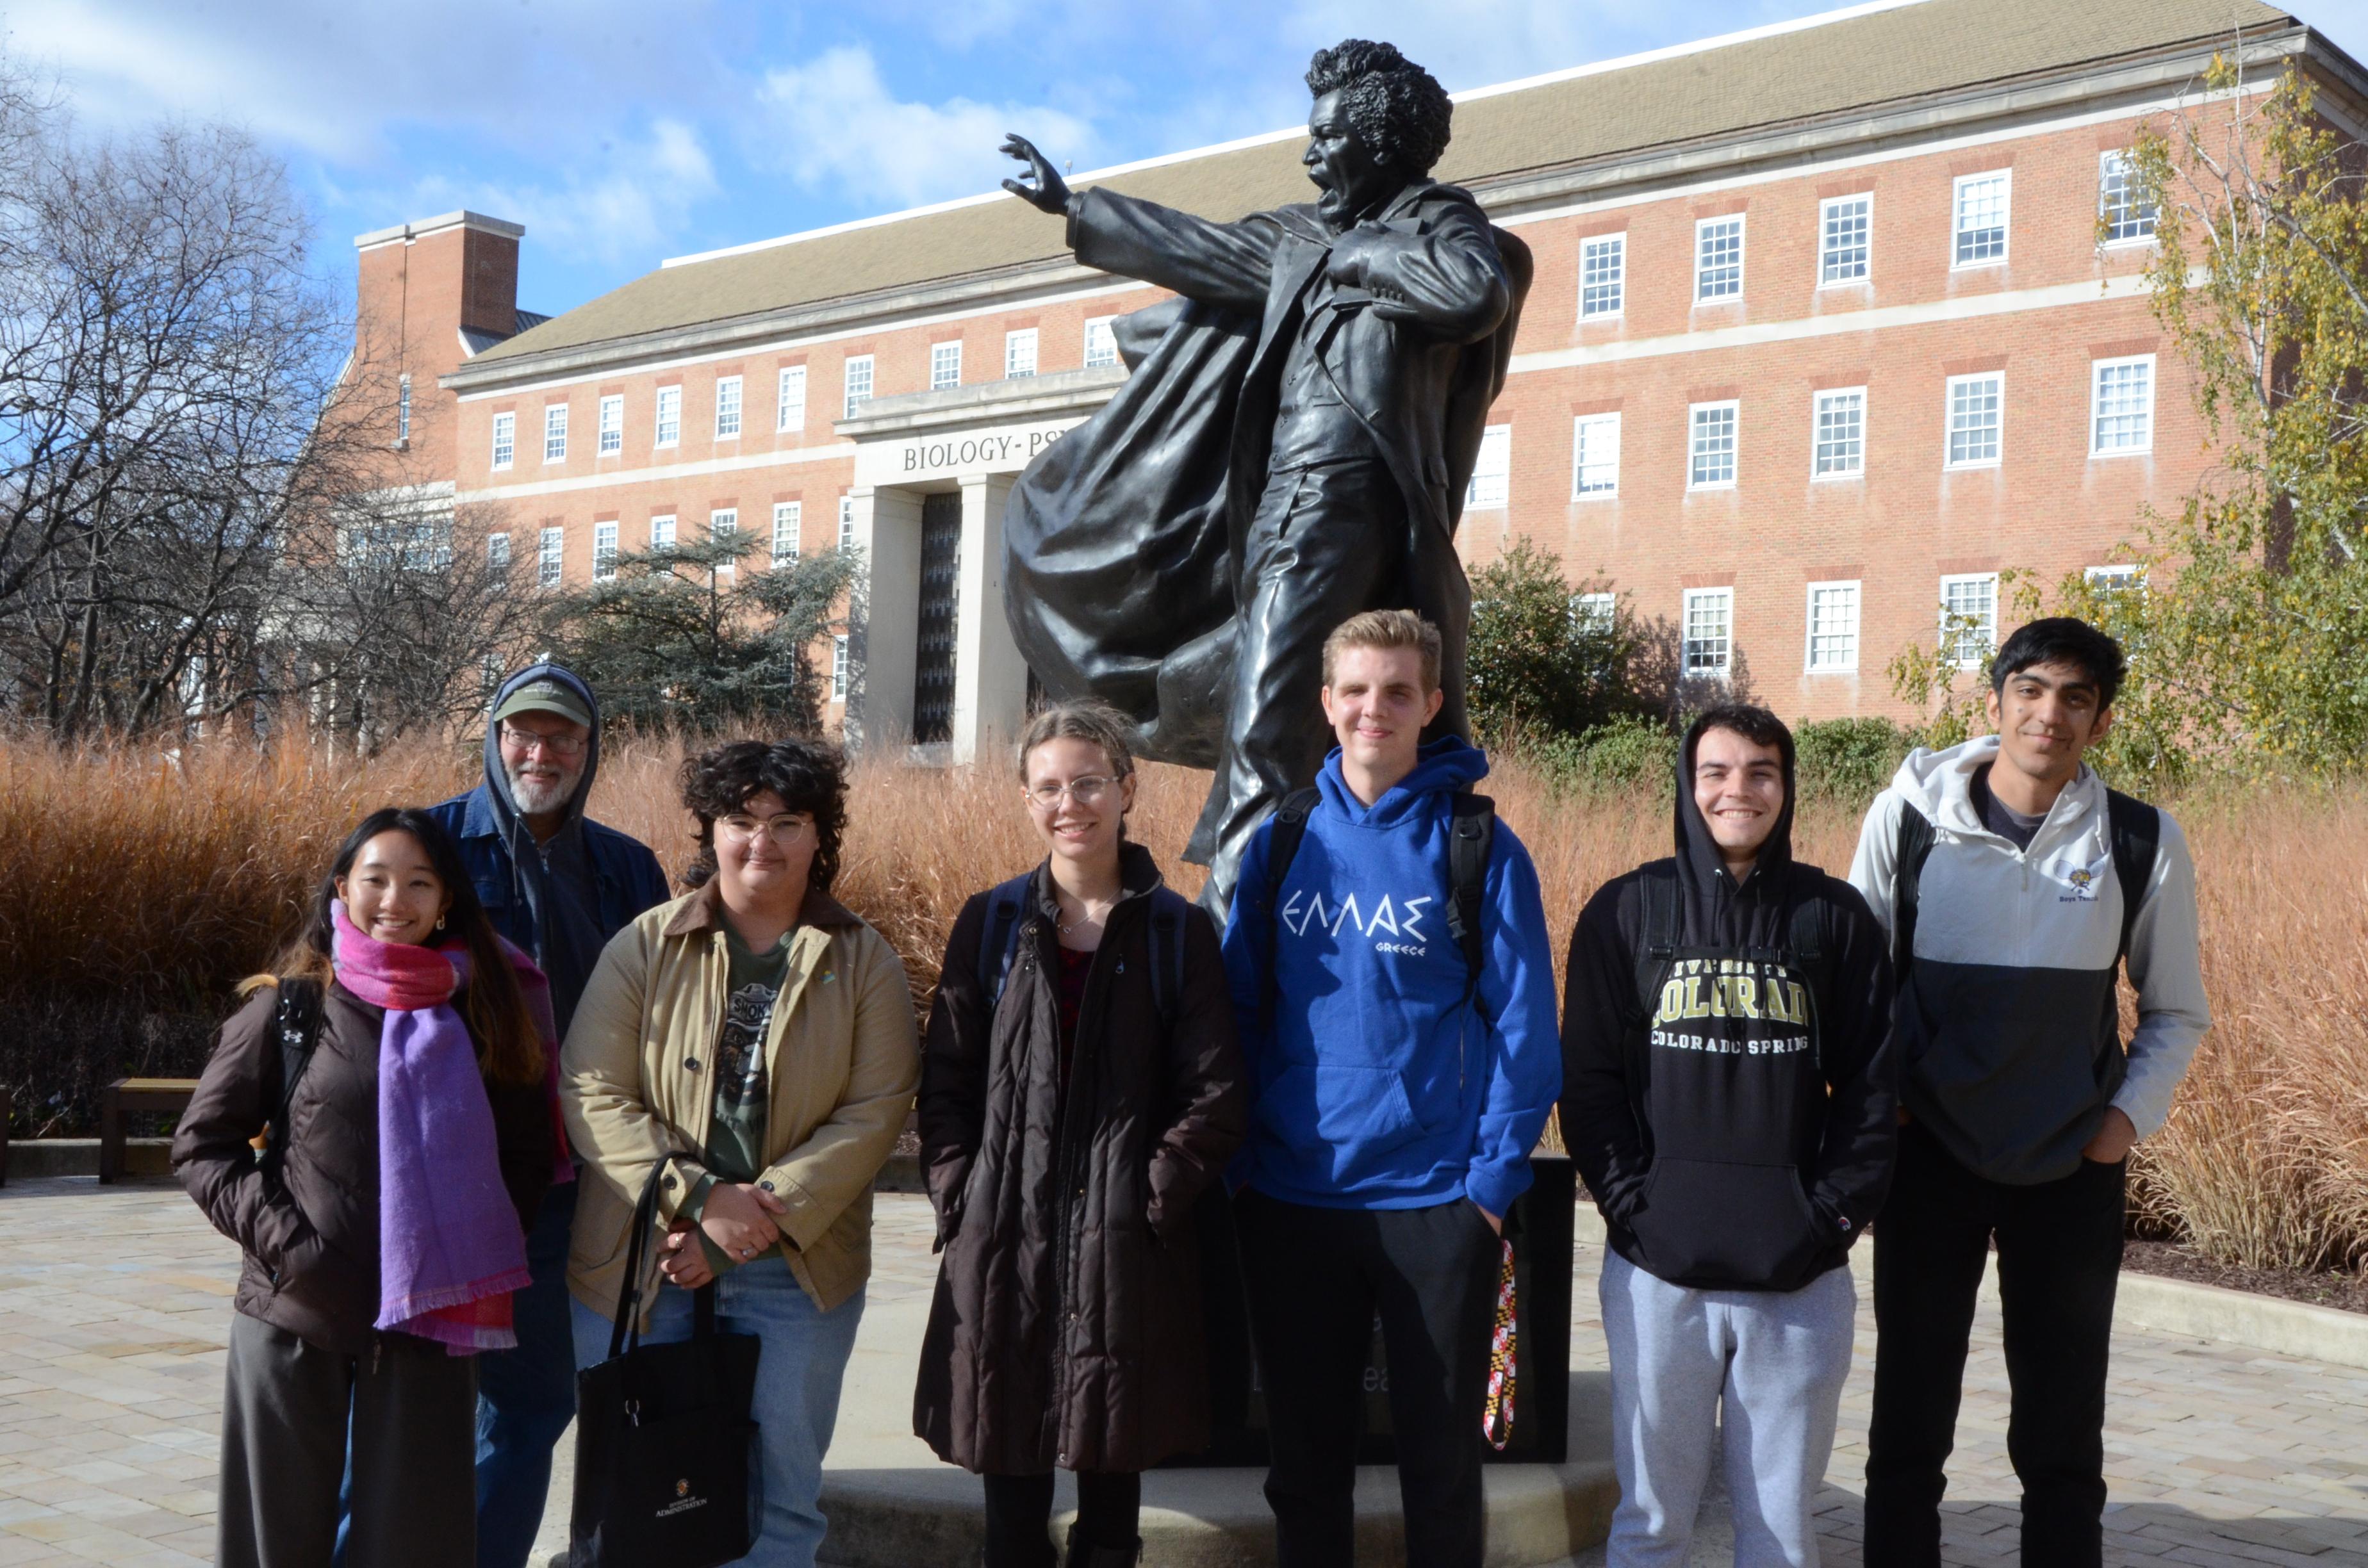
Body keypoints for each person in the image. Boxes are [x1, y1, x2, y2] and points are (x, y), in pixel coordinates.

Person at [998, 40, 1533, 915]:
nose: (1310, 155)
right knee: (1288, 719)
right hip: (1281, 509)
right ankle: (1282, 911)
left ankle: (1227, 948)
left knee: (1268, 726)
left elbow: (1474, 293)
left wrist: (1354, 260)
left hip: (1353, 502)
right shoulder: (1297, 239)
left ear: (1380, 141)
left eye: (1327, 139)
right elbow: (1193, 248)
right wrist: (1073, 204)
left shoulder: (1438, 223)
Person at [1850, 618, 2210, 1566]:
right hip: (1930, 1159)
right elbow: (1859, 987)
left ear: (2098, 723)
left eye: (2076, 699)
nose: (2049, 714)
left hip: (2069, 1168)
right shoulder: (1910, 818)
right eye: (2033, 690)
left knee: (2061, 1430)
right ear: (1997, 698)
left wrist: (2121, 1126)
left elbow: (2177, 1009)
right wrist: (1884, 1100)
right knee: (1909, 1418)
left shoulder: (2140, 839)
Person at [1220, 609, 1561, 1568]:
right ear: (1327, 704)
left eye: (1399, 691)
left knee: (1440, 1473)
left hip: (1433, 1205)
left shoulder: (1479, 845)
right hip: (1290, 1198)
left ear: (1431, 705)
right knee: (1303, 1471)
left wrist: (1488, 1189)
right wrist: (1244, 1160)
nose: (1377, 709)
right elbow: (1238, 1014)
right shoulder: (1284, 842)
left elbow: (1526, 1027)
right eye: (1358, 691)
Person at [563, 737, 919, 1568]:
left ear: (819, 836)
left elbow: (875, 1112)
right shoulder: (644, 947)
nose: (763, 841)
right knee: (635, 1499)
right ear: (709, 833)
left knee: (780, 1507)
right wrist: (698, 1201)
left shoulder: (864, 961)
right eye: (741, 820)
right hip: (643, 1258)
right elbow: (590, 1090)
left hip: (795, 1270)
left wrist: (750, 1222)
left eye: (787, 822)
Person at [1560, 705, 1900, 1567]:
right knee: (1650, 1524)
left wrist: (1826, 1219)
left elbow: (1873, 1089)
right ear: (1687, 782)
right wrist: (1633, 1211)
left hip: (1798, 1277)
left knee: (1782, 1532)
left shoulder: (1837, 920)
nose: (1736, 790)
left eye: (1760, 772)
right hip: (1655, 1276)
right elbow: (1589, 1083)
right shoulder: (1626, 911)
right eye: (1716, 771)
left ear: (1787, 788)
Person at [914, 702, 1248, 1568]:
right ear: (1027, 800)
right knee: (1011, 1508)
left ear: (1127, 789)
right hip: (1005, 1242)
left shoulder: (1176, 932)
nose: (1072, 803)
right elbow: (945, 1080)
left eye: (1090, 783)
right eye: (1051, 787)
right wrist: (963, 1191)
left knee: (1110, 1499)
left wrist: (1150, 1196)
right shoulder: (991, 925)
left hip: (1123, 1247)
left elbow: (1214, 1092)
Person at [174, 809, 555, 1568]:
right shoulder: (289, 1007)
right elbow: (201, 1147)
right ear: (342, 887)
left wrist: (461, 1246)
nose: (395, 899)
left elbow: (527, 1153)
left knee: (414, 1542)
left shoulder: (482, 1011)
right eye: (375, 879)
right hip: (295, 1310)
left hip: (428, 1325)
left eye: (419, 883)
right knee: (273, 1541)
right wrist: (294, 1249)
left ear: (445, 900)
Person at [425, 662, 670, 1568]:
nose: (542, 751)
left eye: (563, 735)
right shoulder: (430, 847)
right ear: (492, 737)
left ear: (591, 747)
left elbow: (669, 1013)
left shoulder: (626, 866)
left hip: (583, 1184)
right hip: (454, 1180)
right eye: (523, 733)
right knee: (402, 1405)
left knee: (533, 1401)